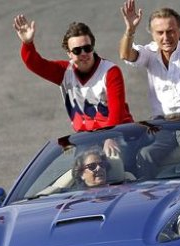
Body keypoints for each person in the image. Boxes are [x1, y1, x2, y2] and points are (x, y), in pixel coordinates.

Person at [13, 15, 134, 156]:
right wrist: (28, 43)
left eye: (87, 48)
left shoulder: (110, 71)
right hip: (87, 140)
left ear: (93, 48)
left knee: (114, 166)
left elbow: (117, 111)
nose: (83, 54)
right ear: (69, 54)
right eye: (77, 51)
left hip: (118, 134)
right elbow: (35, 64)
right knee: (79, 173)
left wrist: (110, 137)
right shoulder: (64, 72)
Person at [119, 1, 180, 176]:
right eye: (160, 33)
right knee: (144, 154)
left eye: (170, 31)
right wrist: (130, 30)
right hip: (160, 124)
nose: (166, 37)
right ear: (153, 35)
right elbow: (126, 55)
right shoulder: (150, 51)